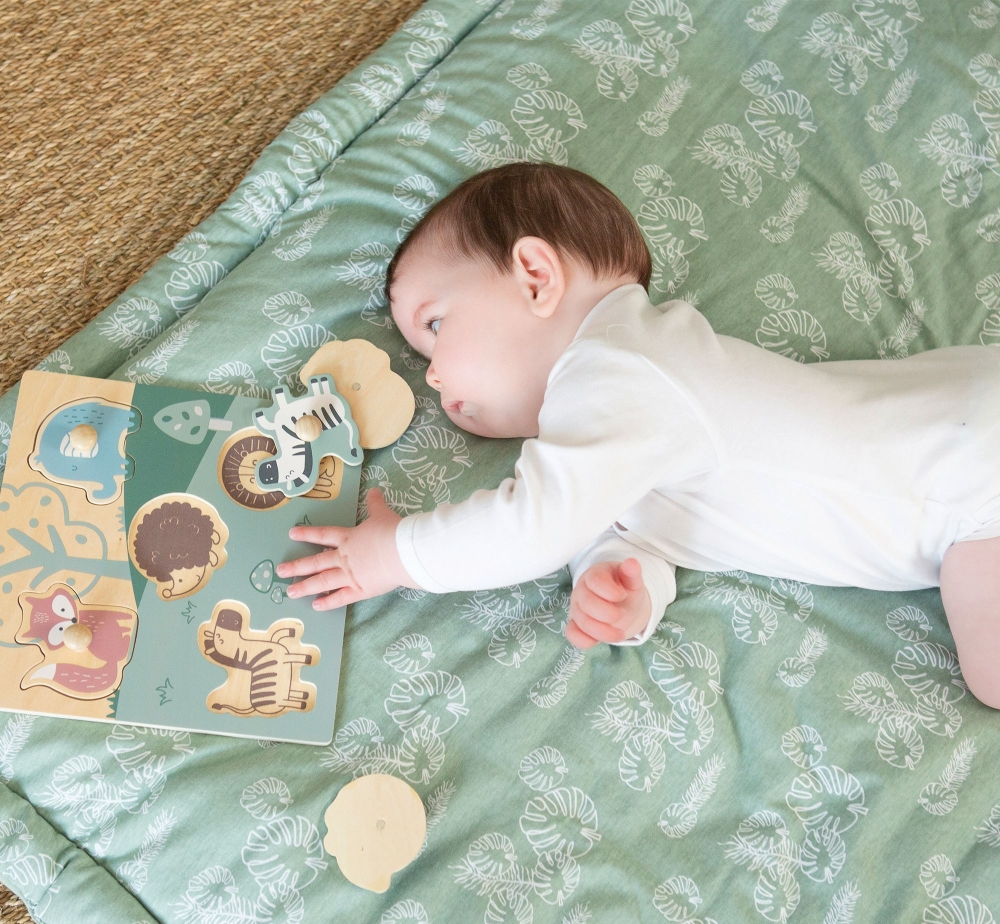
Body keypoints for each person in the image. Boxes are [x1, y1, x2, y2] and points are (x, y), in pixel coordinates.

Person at [276, 163, 1000, 708]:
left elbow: (536, 526)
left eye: (436, 328)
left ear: (534, 276)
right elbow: (629, 527)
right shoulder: (620, 414)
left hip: (966, 480)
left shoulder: (618, 364)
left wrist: (399, 556)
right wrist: (625, 588)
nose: (433, 377)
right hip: (957, 449)